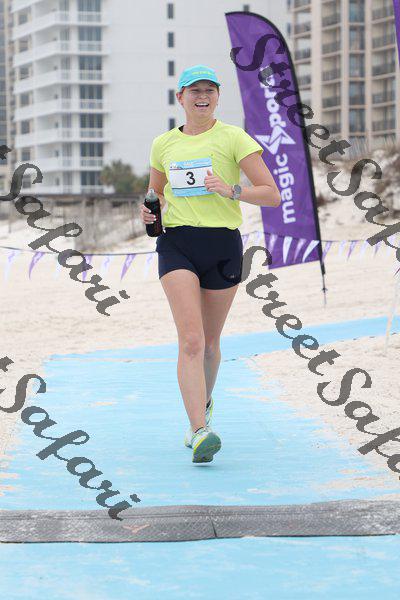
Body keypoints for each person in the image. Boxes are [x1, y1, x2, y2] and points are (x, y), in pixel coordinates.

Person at [140, 64, 281, 464]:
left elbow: (271, 194)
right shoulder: (163, 143)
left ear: (218, 97)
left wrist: (231, 189)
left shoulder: (234, 138)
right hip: (177, 244)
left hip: (222, 244)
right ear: (180, 97)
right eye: (194, 90)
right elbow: (155, 193)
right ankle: (199, 429)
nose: (202, 96)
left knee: (210, 344)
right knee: (191, 339)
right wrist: (149, 210)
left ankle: (203, 405)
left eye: (209, 90)